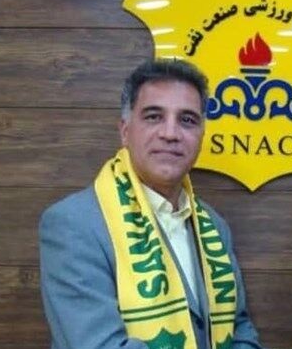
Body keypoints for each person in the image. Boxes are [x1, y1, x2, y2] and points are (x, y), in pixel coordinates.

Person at [39, 60, 263, 349]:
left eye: (187, 120)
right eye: (154, 117)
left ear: (201, 136)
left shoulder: (214, 226)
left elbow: (239, 327)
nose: (170, 133)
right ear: (125, 131)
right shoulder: (74, 224)